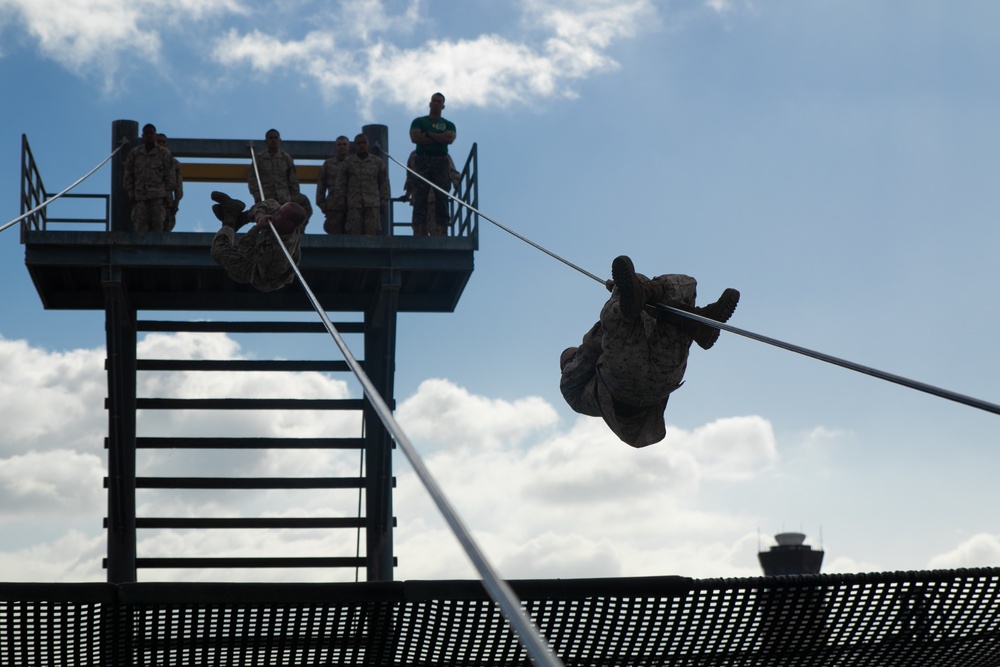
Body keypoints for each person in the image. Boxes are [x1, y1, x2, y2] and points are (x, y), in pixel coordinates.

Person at [560, 256, 740, 448]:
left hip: (662, 378)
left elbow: (638, 305)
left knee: (679, 287)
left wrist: (627, 290)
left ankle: (701, 325)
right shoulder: (572, 390)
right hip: (625, 382)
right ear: (564, 367)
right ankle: (691, 320)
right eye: (571, 357)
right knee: (616, 313)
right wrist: (618, 295)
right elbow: (592, 347)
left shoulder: (612, 353)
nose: (576, 355)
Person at [209, 191, 307, 292]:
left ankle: (230, 220)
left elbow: (245, 248)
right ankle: (239, 217)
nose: (275, 214)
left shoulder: (278, 251)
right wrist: (259, 217)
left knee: (218, 251)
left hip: (261, 275)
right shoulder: (281, 215)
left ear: (288, 225)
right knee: (269, 206)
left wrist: (258, 227)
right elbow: (268, 204)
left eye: (279, 214)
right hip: (263, 251)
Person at [409, 92, 456, 235]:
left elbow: (449, 139)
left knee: (441, 196)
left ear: (443, 106)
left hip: (441, 161)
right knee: (420, 196)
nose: (436, 103)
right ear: (430, 104)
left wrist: (428, 134)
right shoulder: (419, 121)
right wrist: (438, 139)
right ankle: (419, 229)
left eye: (439, 101)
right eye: (434, 101)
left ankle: (442, 228)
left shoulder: (448, 124)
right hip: (423, 160)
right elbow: (415, 138)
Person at [248, 128, 313, 224]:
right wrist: (257, 195)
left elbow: (293, 179)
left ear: (279, 140)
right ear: (266, 141)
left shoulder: (286, 158)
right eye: (270, 138)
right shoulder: (259, 158)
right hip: (267, 198)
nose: (273, 140)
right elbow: (253, 179)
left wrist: (294, 196)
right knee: (269, 222)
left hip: (285, 198)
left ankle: (298, 231)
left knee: (293, 217)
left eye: (275, 138)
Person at [122, 123, 177, 233]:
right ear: (142, 136)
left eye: (151, 133)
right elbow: (128, 176)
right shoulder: (135, 154)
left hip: (158, 199)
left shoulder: (164, 154)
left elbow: (170, 177)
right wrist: (132, 194)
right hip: (140, 199)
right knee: (141, 230)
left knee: (158, 229)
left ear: (155, 135)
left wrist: (166, 197)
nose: (148, 136)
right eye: (146, 133)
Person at [335, 134, 390, 236]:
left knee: (372, 235)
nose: (361, 145)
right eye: (358, 143)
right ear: (355, 145)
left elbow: (384, 183)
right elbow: (340, 183)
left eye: (364, 143)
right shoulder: (348, 162)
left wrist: (383, 201)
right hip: (353, 205)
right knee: (354, 234)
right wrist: (341, 201)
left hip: (372, 205)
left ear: (368, 144)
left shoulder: (377, 162)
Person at [401, 150, 461, 236]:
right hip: (420, 199)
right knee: (420, 229)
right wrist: (407, 194)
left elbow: (451, 170)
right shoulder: (415, 155)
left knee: (436, 229)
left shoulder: (440, 153)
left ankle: (438, 243)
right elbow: (411, 176)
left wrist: (456, 182)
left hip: (435, 199)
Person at [316, 135, 351, 235]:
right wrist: (322, 204)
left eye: (344, 144)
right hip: (333, 207)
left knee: (354, 235)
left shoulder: (355, 163)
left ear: (349, 146)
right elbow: (321, 186)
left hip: (353, 206)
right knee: (334, 235)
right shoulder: (328, 164)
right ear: (335, 147)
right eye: (339, 144)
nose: (342, 146)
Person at [157, 133, 183, 232]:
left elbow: (178, 187)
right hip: (148, 204)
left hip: (167, 203)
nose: (161, 144)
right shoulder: (143, 160)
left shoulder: (174, 163)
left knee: (165, 231)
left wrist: (175, 204)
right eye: (158, 141)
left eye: (163, 142)